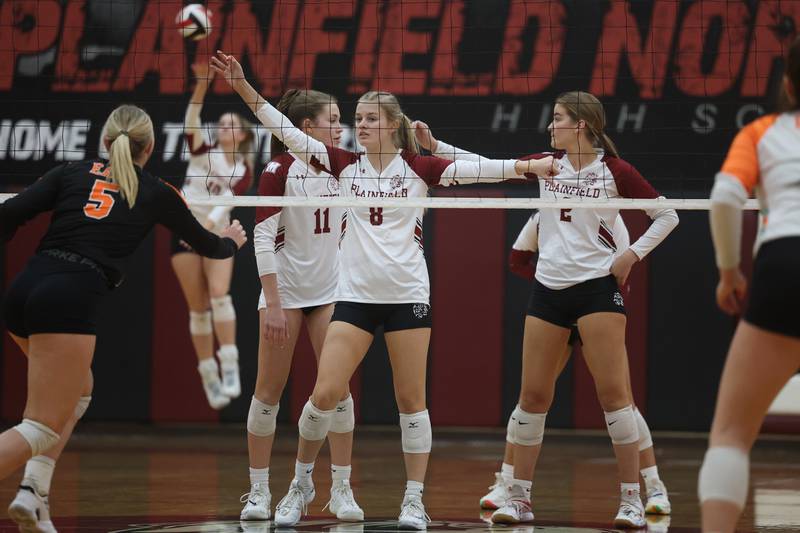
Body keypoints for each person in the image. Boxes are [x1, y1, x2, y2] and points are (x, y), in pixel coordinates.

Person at [210, 50, 557, 530]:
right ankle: (301, 484)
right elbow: (284, 129)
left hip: (408, 297)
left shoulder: (420, 168)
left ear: (394, 124)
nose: (360, 125)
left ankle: (414, 500)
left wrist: (526, 167)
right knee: (324, 395)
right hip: (352, 298)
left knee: (411, 401)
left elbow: (483, 169)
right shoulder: (343, 165)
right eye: (357, 118)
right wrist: (244, 88)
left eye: (370, 118)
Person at [414, 91, 679, 528]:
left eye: (557, 118)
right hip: (548, 292)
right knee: (533, 397)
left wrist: (631, 255)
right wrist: (436, 146)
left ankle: (632, 498)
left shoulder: (615, 171)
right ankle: (518, 498)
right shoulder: (547, 164)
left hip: (596, 290)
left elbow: (666, 215)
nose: (550, 125)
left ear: (581, 125)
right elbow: (485, 166)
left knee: (614, 398)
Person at [0, 104, 246, 533]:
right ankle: (30, 490)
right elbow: (208, 246)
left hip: (24, 290)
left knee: (76, 395)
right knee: (40, 426)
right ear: (149, 148)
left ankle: (33, 493)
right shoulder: (156, 191)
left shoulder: (69, 173)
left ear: (105, 141)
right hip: (69, 298)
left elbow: (8, 216)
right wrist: (232, 243)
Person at [475, 210, 669, 516]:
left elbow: (623, 273)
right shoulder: (543, 216)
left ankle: (654, 485)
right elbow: (517, 259)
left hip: (597, 309)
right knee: (531, 398)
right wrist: (555, 277)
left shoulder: (608, 217)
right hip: (556, 312)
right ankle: (508, 482)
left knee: (623, 403)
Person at [239, 89, 363, 523]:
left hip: (331, 292)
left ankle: (342, 488)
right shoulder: (279, 169)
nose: (341, 126)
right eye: (332, 118)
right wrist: (272, 305)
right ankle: (257, 491)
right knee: (268, 391)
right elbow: (261, 238)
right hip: (286, 294)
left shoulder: (346, 166)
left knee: (338, 391)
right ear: (306, 127)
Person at [699, 36, 800, 533]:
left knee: (732, 435)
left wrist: (728, 272)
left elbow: (723, 199)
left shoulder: (764, 131)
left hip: (784, 262)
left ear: (787, 83)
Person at [172, 61, 255, 410]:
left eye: (231, 125)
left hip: (213, 234)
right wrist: (202, 85)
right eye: (220, 124)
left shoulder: (244, 170)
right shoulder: (200, 153)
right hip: (184, 235)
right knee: (198, 308)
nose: (223, 127)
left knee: (220, 294)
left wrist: (206, 232)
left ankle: (230, 362)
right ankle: (208, 373)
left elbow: (225, 204)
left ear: (245, 135)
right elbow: (191, 119)